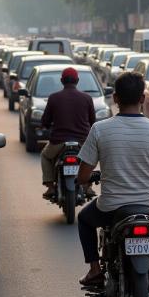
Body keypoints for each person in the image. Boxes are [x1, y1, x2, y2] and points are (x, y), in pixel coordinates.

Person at [76, 71, 149, 286]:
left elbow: (83, 175)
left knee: (84, 220)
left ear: (115, 98)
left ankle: (95, 270)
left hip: (111, 208)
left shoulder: (99, 129)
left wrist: (88, 178)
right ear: (142, 99)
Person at [40, 67, 96, 200]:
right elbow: (93, 121)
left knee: (45, 156)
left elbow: (46, 121)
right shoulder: (87, 98)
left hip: (58, 142)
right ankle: (88, 185)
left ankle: (50, 186)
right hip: (82, 142)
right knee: (90, 158)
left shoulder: (54, 98)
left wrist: (46, 126)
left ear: (61, 81)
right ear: (77, 80)